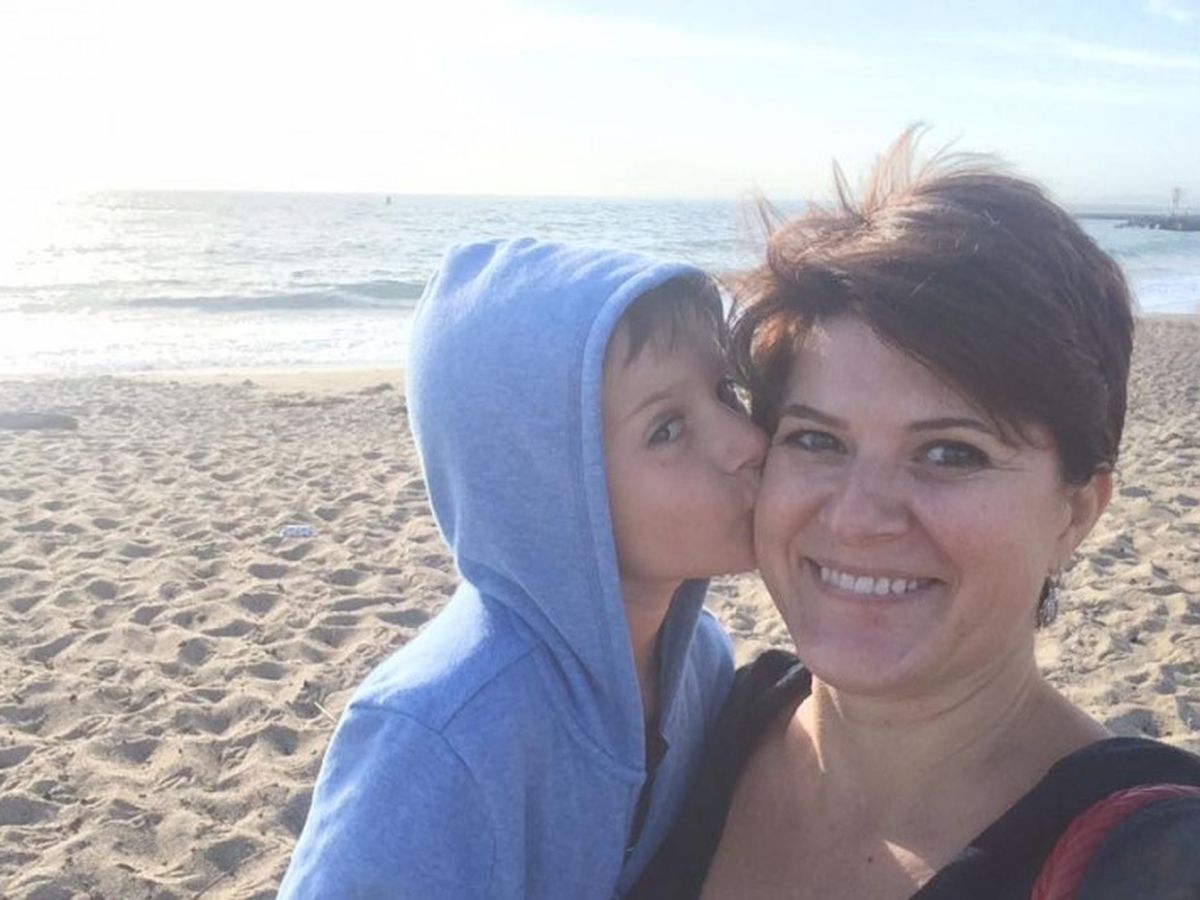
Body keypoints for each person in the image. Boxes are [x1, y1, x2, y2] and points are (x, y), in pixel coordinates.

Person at [630, 131, 1200, 899]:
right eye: (817, 439)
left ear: (1075, 513)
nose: (858, 518)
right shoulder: (692, 740)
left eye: (950, 453)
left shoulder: (1153, 862)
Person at [278, 237, 767, 898]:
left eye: (725, 391)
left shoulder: (701, 663)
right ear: (548, 486)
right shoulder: (438, 742)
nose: (746, 441)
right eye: (667, 429)